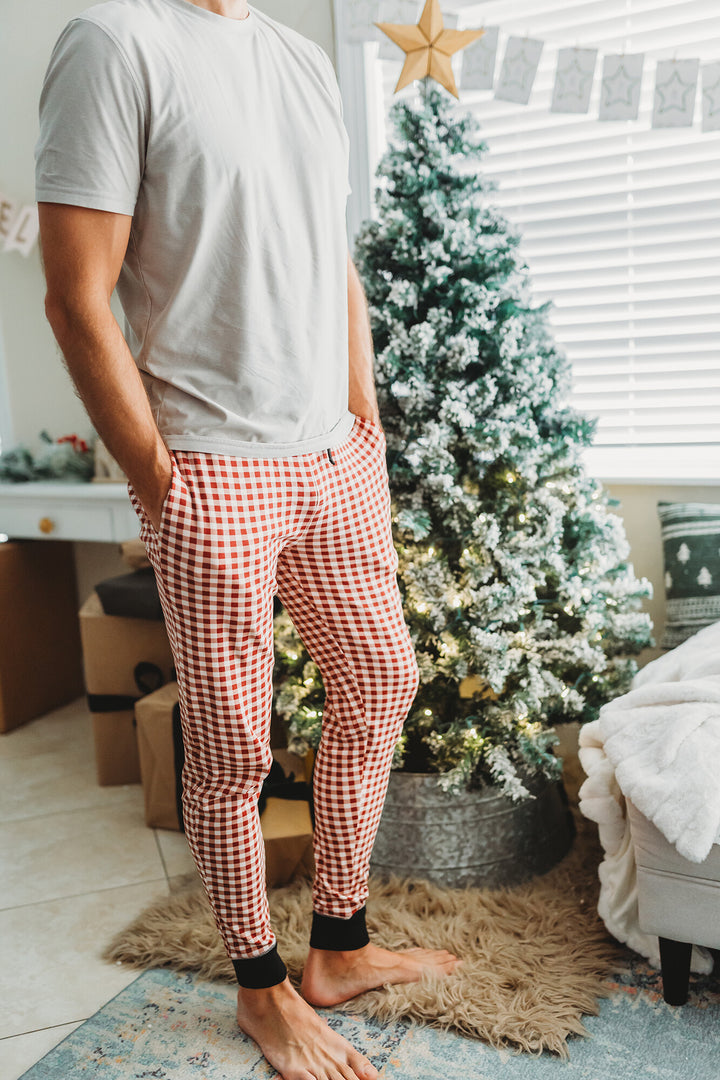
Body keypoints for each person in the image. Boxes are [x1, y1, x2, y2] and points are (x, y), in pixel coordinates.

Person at [35, 1, 461, 1077]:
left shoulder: (299, 60)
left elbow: (336, 264)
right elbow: (76, 296)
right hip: (210, 471)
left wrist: (366, 428)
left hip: (334, 461)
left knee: (381, 678)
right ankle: (261, 987)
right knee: (232, 748)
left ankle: (339, 946)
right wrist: (160, 480)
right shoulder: (115, 41)